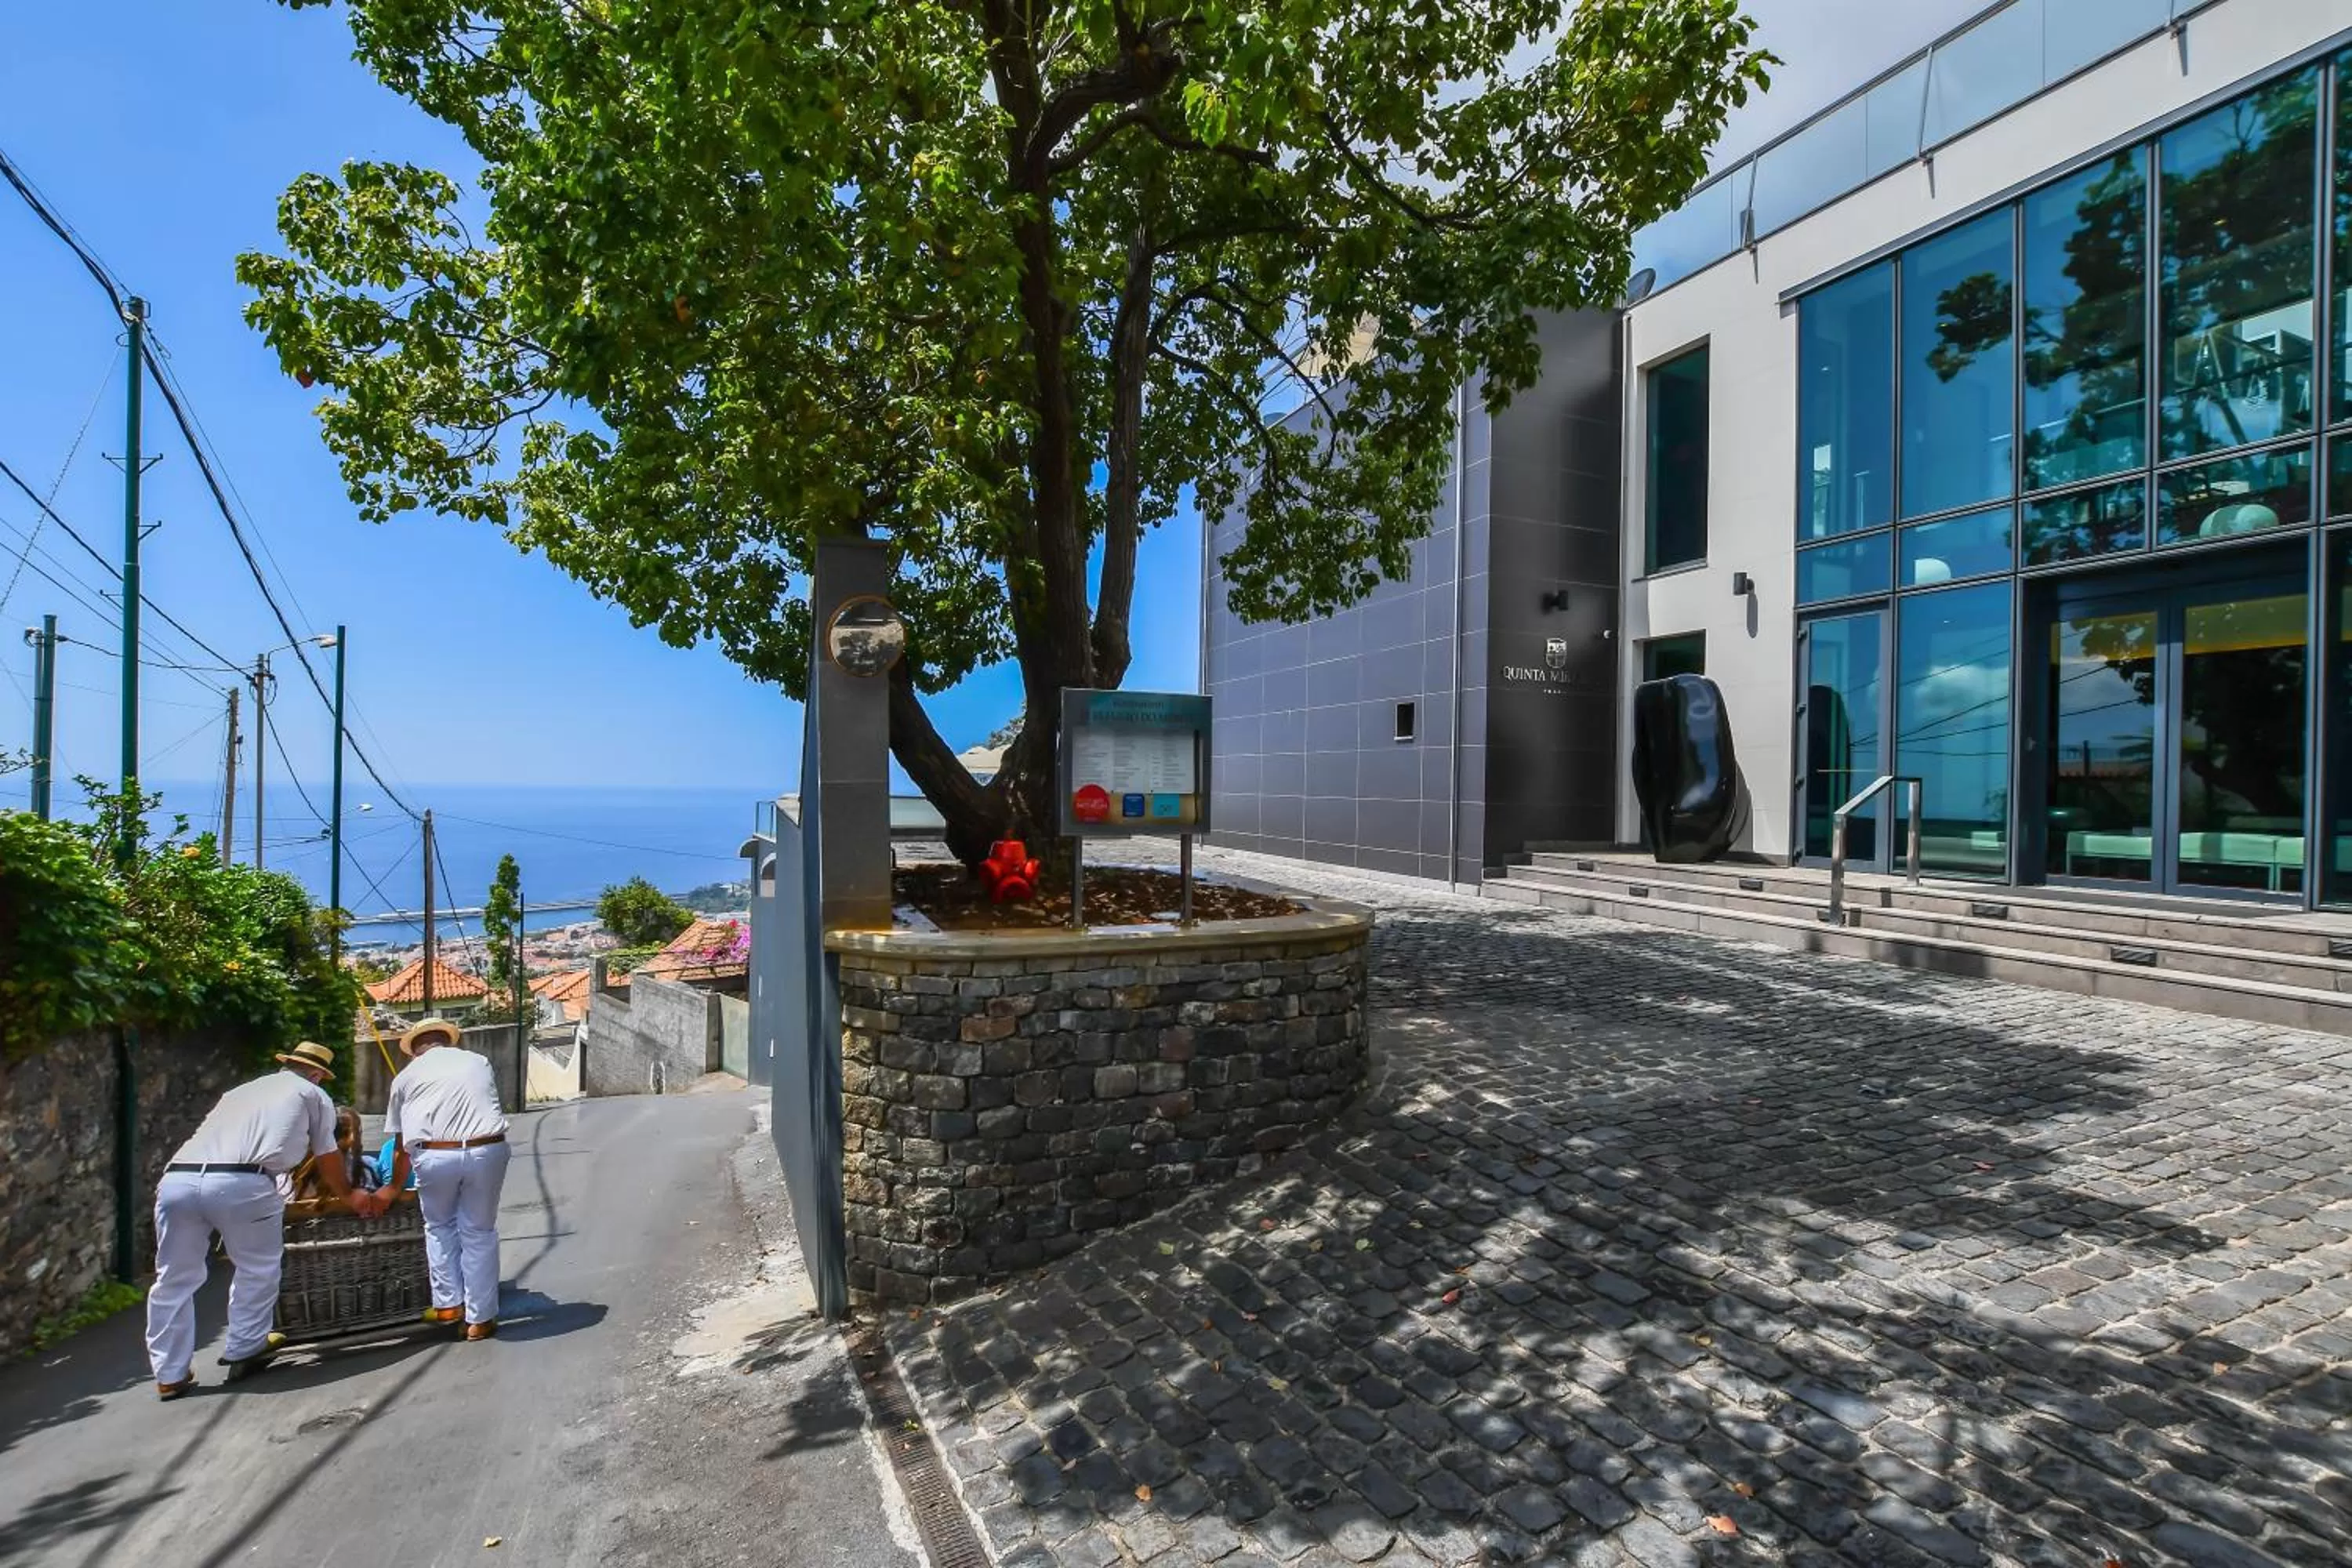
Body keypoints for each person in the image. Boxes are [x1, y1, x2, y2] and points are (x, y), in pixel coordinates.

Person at [146, 1040, 354, 1400]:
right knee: (257, 1266)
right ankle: (245, 1345)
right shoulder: (312, 1094)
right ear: (317, 1074)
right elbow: (327, 1153)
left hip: (178, 1178)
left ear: (286, 1065)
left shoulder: (239, 1092)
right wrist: (349, 1196)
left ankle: (169, 1373)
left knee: (174, 1278)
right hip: (243, 1181)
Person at [358, 1018, 510, 1339]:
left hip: (435, 1156)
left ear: (415, 1051)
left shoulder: (405, 1077)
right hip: (487, 1150)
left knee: (439, 1226)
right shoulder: (478, 1062)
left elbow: (400, 1145)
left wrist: (392, 1188)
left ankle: (448, 1304)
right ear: (448, 1042)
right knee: (479, 1231)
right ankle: (479, 1320)